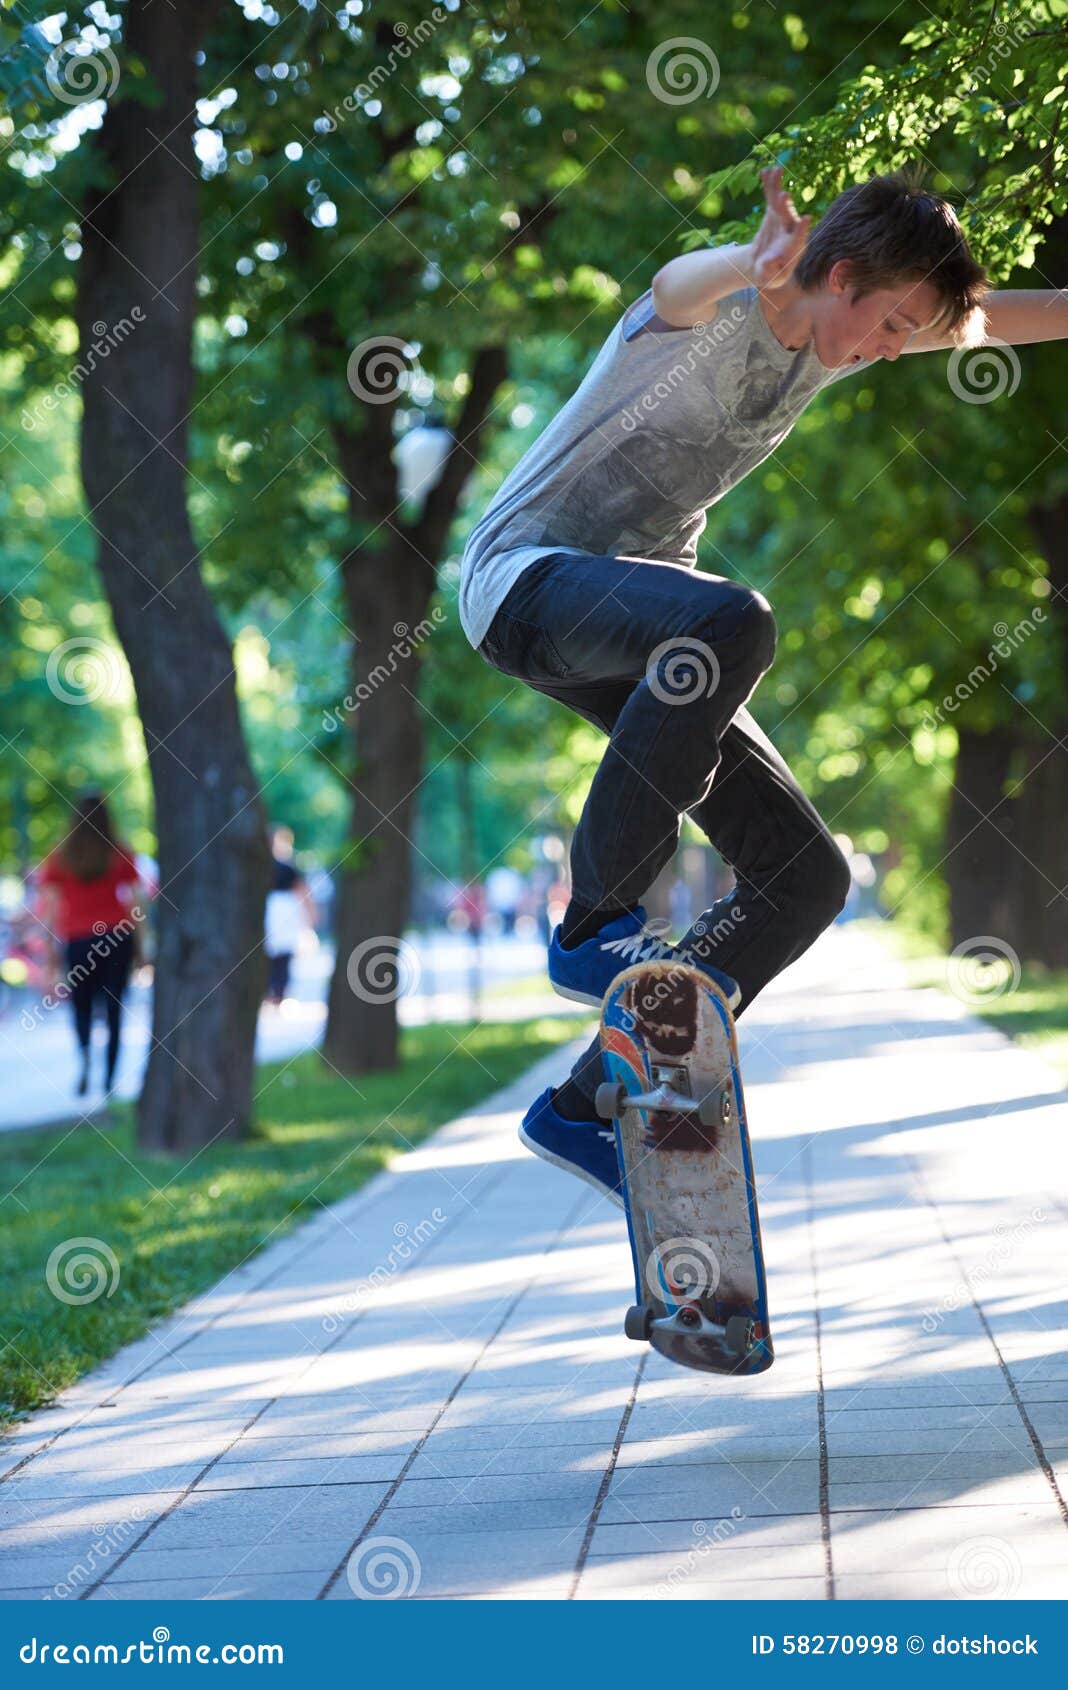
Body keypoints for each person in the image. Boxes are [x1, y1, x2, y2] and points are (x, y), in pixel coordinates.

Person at [461, 164, 1067, 1206]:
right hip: (525, 586)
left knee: (808, 876)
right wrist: (751, 261)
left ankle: (587, 1103)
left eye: (902, 335)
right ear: (835, 276)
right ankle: (593, 926)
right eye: (888, 326)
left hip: (658, 644)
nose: (889, 349)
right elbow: (674, 285)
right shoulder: (725, 308)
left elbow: (1008, 318)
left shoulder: (839, 339)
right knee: (732, 616)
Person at [36, 791, 146, 1099]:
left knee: (81, 1006)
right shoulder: (119, 853)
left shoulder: (60, 857)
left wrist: (50, 953)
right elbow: (136, 905)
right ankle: (109, 1078)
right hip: (116, 938)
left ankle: (85, 1059)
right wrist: (141, 948)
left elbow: (51, 911)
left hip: (78, 940)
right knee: (114, 1009)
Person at [264, 826, 315, 1006]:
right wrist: (310, 916)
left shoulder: (285, 868)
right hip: (279, 912)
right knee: (280, 954)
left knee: (280, 953)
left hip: (279, 912)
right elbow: (302, 891)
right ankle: (276, 993)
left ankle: (275, 993)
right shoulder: (284, 867)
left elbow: (301, 890)